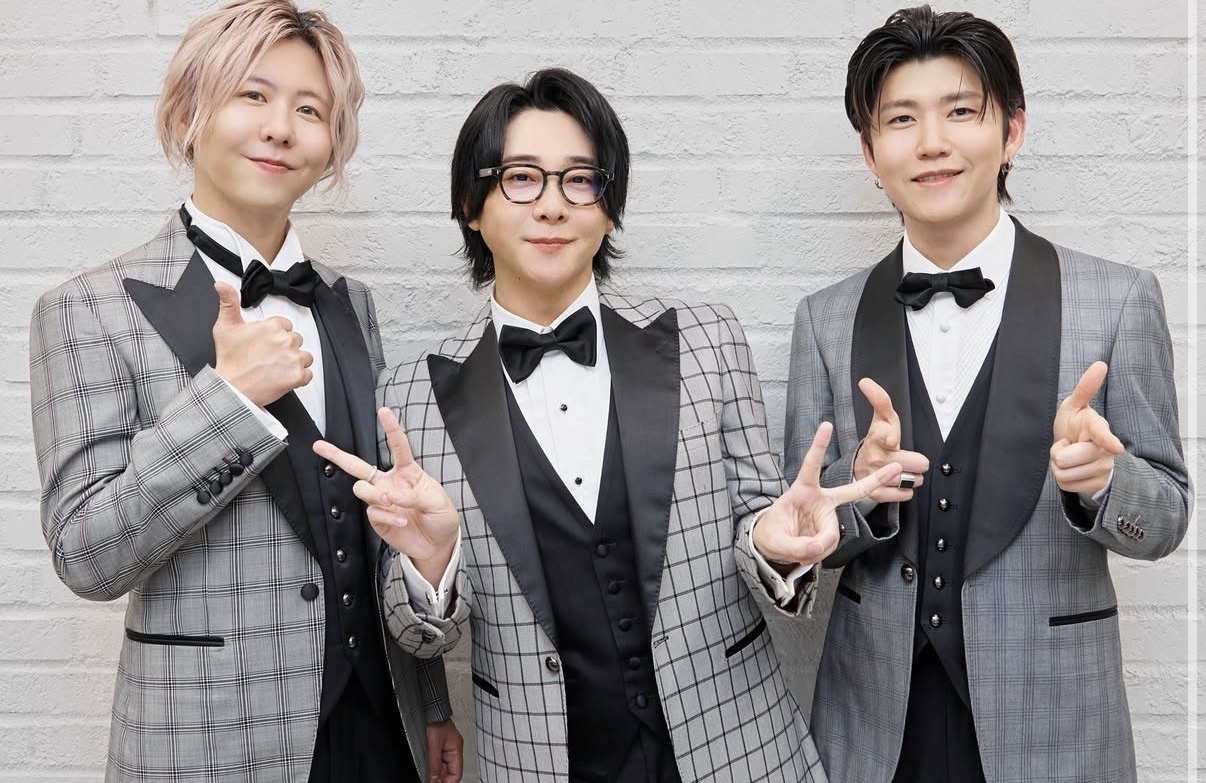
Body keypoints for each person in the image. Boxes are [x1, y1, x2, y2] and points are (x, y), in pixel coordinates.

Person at [313, 67, 899, 782]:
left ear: (609, 208)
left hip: (738, 750)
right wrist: (431, 564)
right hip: (539, 763)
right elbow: (416, 637)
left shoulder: (707, 342)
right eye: (520, 178)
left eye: (580, 181)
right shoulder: (410, 398)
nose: (552, 206)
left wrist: (774, 547)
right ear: (471, 205)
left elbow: (761, 519)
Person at [28, 1, 460, 780]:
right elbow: (86, 554)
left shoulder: (351, 303)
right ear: (187, 115)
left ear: (332, 145)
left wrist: (430, 700)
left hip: (377, 730)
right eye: (252, 95)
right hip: (209, 741)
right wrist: (227, 401)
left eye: (310, 110)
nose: (281, 127)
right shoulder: (86, 308)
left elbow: (373, 521)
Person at [781, 6, 1190, 782]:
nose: (931, 142)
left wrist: (1105, 482)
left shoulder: (1117, 300)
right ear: (871, 151)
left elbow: (1165, 517)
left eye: (961, 112)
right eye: (901, 119)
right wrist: (856, 494)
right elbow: (804, 533)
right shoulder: (824, 320)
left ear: (1012, 132)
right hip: (875, 727)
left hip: (1055, 724)